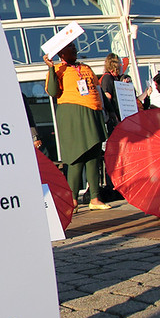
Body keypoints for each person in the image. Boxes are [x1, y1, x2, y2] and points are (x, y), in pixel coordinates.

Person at [44, 42, 110, 210]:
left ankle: (94, 198)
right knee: (76, 156)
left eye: (74, 46)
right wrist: (51, 68)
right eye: (70, 47)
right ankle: (72, 198)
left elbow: (96, 88)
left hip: (93, 112)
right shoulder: (59, 69)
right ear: (61, 53)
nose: (74, 49)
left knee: (94, 155)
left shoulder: (86, 67)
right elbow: (52, 92)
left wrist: (104, 110)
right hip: (72, 114)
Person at [99, 53, 122, 131]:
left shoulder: (114, 78)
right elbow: (107, 97)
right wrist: (114, 117)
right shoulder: (107, 78)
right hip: (113, 119)